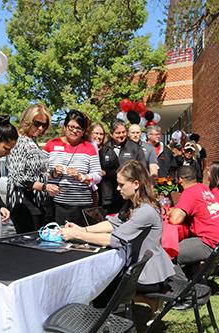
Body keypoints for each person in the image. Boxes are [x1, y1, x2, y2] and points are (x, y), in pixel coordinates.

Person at [61, 160, 175, 292]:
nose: (118, 188)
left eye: (121, 185)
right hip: (139, 270)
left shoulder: (145, 211)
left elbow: (114, 240)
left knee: (100, 283)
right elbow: (113, 223)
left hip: (148, 277)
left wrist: (77, 235)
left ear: (136, 184)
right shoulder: (133, 203)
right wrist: (82, 229)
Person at [7, 105, 60, 234]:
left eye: (44, 125)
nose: (41, 128)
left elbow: (36, 174)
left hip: (36, 202)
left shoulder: (32, 141)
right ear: (28, 121)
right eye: (37, 124)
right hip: (23, 203)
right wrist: (43, 187)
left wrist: (52, 174)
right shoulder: (18, 141)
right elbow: (17, 177)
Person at [43, 110, 102, 226]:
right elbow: (40, 173)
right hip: (57, 204)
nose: (74, 131)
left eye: (79, 128)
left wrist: (81, 176)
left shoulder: (89, 147)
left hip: (82, 205)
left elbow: (98, 175)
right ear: (65, 127)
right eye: (71, 127)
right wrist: (53, 174)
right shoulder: (51, 144)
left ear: (83, 131)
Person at [169, 165, 219, 273]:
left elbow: (175, 220)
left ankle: (182, 287)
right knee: (185, 246)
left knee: (169, 254)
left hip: (209, 243)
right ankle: (195, 280)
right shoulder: (202, 187)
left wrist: (172, 212)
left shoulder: (189, 192)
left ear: (180, 180)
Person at [99, 119, 146, 214]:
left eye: (123, 132)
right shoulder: (104, 148)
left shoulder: (135, 148)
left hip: (128, 197)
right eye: (118, 133)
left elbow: (142, 170)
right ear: (112, 134)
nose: (121, 135)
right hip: (108, 197)